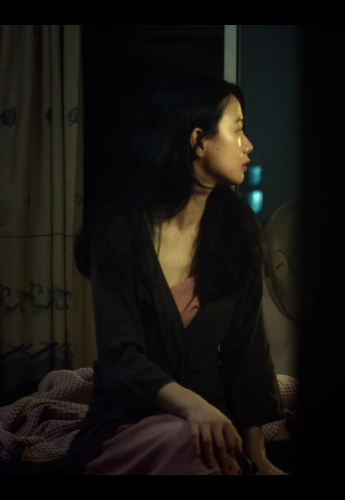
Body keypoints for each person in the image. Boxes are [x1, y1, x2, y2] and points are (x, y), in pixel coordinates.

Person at [67, 70, 286, 475]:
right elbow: (120, 358)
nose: (248, 144)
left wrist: (257, 455)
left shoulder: (240, 232)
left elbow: (247, 354)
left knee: (210, 450)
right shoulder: (120, 233)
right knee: (184, 439)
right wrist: (192, 408)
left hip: (212, 425)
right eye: (237, 129)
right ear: (198, 140)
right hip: (131, 421)